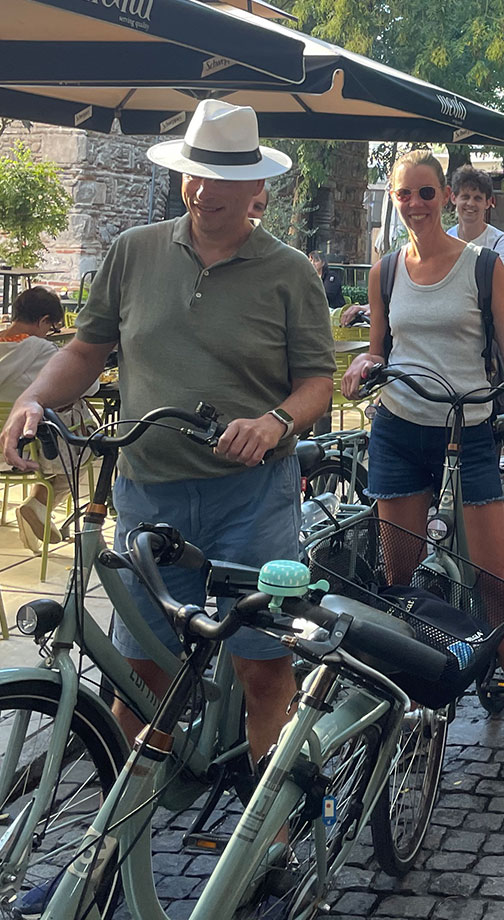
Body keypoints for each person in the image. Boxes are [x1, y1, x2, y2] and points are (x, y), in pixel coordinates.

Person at [0, 99, 334, 788]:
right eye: (194, 173)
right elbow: (89, 351)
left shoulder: (290, 270)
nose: (203, 190)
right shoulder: (135, 250)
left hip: (251, 497)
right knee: (141, 674)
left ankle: (266, 840)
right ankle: (111, 846)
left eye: (221, 176)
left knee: (263, 666)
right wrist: (33, 397)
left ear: (255, 189)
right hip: (149, 494)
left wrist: (275, 420)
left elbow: (317, 387)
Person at [339, 149, 504, 778]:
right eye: (404, 195)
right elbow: (379, 352)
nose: (415, 205)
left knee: (498, 582)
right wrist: (362, 369)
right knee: (398, 578)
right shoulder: (386, 268)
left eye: (426, 194)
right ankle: (401, 709)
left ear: (446, 197)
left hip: (467, 434)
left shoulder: (482, 266)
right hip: (397, 429)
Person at [0, 286, 96, 552]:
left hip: (5, 447)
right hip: (28, 451)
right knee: (85, 445)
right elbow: (90, 385)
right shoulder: (41, 350)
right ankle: (38, 505)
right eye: (51, 327)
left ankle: (38, 508)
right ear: (43, 321)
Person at [447, 165, 504, 269]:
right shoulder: (447, 238)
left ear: (488, 203)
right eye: (465, 197)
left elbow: (496, 282)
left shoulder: (501, 242)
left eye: (477, 198)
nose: (470, 203)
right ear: (453, 198)